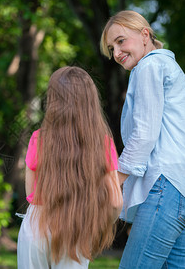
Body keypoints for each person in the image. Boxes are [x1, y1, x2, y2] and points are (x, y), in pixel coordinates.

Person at [99, 10, 185, 268]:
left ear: (145, 34)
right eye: (111, 48)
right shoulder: (171, 69)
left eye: (121, 41)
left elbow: (144, 133)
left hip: (167, 187)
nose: (116, 52)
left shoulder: (148, 66)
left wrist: (116, 178)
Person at [17, 66, 123, 269]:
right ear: (90, 102)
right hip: (76, 225)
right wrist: (100, 226)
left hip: (35, 226)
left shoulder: (38, 138)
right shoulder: (102, 143)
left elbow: (31, 195)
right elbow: (115, 202)